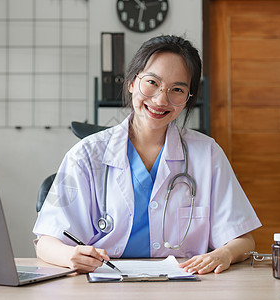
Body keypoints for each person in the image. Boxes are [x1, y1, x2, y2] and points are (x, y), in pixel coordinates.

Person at [33, 35, 261, 275]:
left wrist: (223, 253)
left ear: (188, 99)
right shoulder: (85, 155)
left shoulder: (208, 154)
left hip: (185, 286)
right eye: (152, 82)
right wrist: (70, 255)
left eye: (177, 90)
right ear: (132, 82)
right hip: (104, 284)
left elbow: (243, 240)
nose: (161, 100)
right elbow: (47, 243)